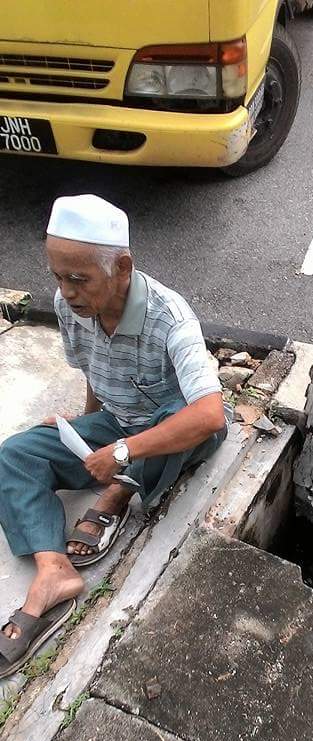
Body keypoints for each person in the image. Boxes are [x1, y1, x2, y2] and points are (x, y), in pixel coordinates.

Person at [0, 194, 228, 677]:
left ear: (122, 267)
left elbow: (210, 415)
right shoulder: (70, 306)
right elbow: (94, 370)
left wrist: (122, 453)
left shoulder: (170, 318)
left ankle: (118, 493)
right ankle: (53, 569)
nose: (66, 292)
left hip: (167, 430)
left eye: (78, 278)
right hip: (117, 424)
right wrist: (82, 430)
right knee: (16, 454)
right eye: (58, 277)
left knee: (181, 413)